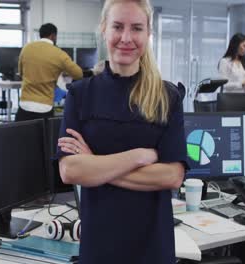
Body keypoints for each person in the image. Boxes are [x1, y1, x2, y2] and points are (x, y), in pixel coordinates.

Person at [56, 0, 187, 263]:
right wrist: (138, 156)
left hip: (153, 247)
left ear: (148, 34)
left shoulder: (167, 97)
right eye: (117, 26)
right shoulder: (80, 95)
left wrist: (95, 165)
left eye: (136, 28)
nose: (126, 38)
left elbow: (172, 176)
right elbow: (70, 171)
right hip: (99, 245)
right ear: (104, 29)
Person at [16, 23, 83, 122]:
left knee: (21, 137)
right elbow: (79, 74)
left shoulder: (26, 49)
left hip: (24, 105)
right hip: (44, 108)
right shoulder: (59, 54)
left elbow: (21, 73)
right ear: (53, 36)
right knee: (43, 138)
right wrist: (61, 70)